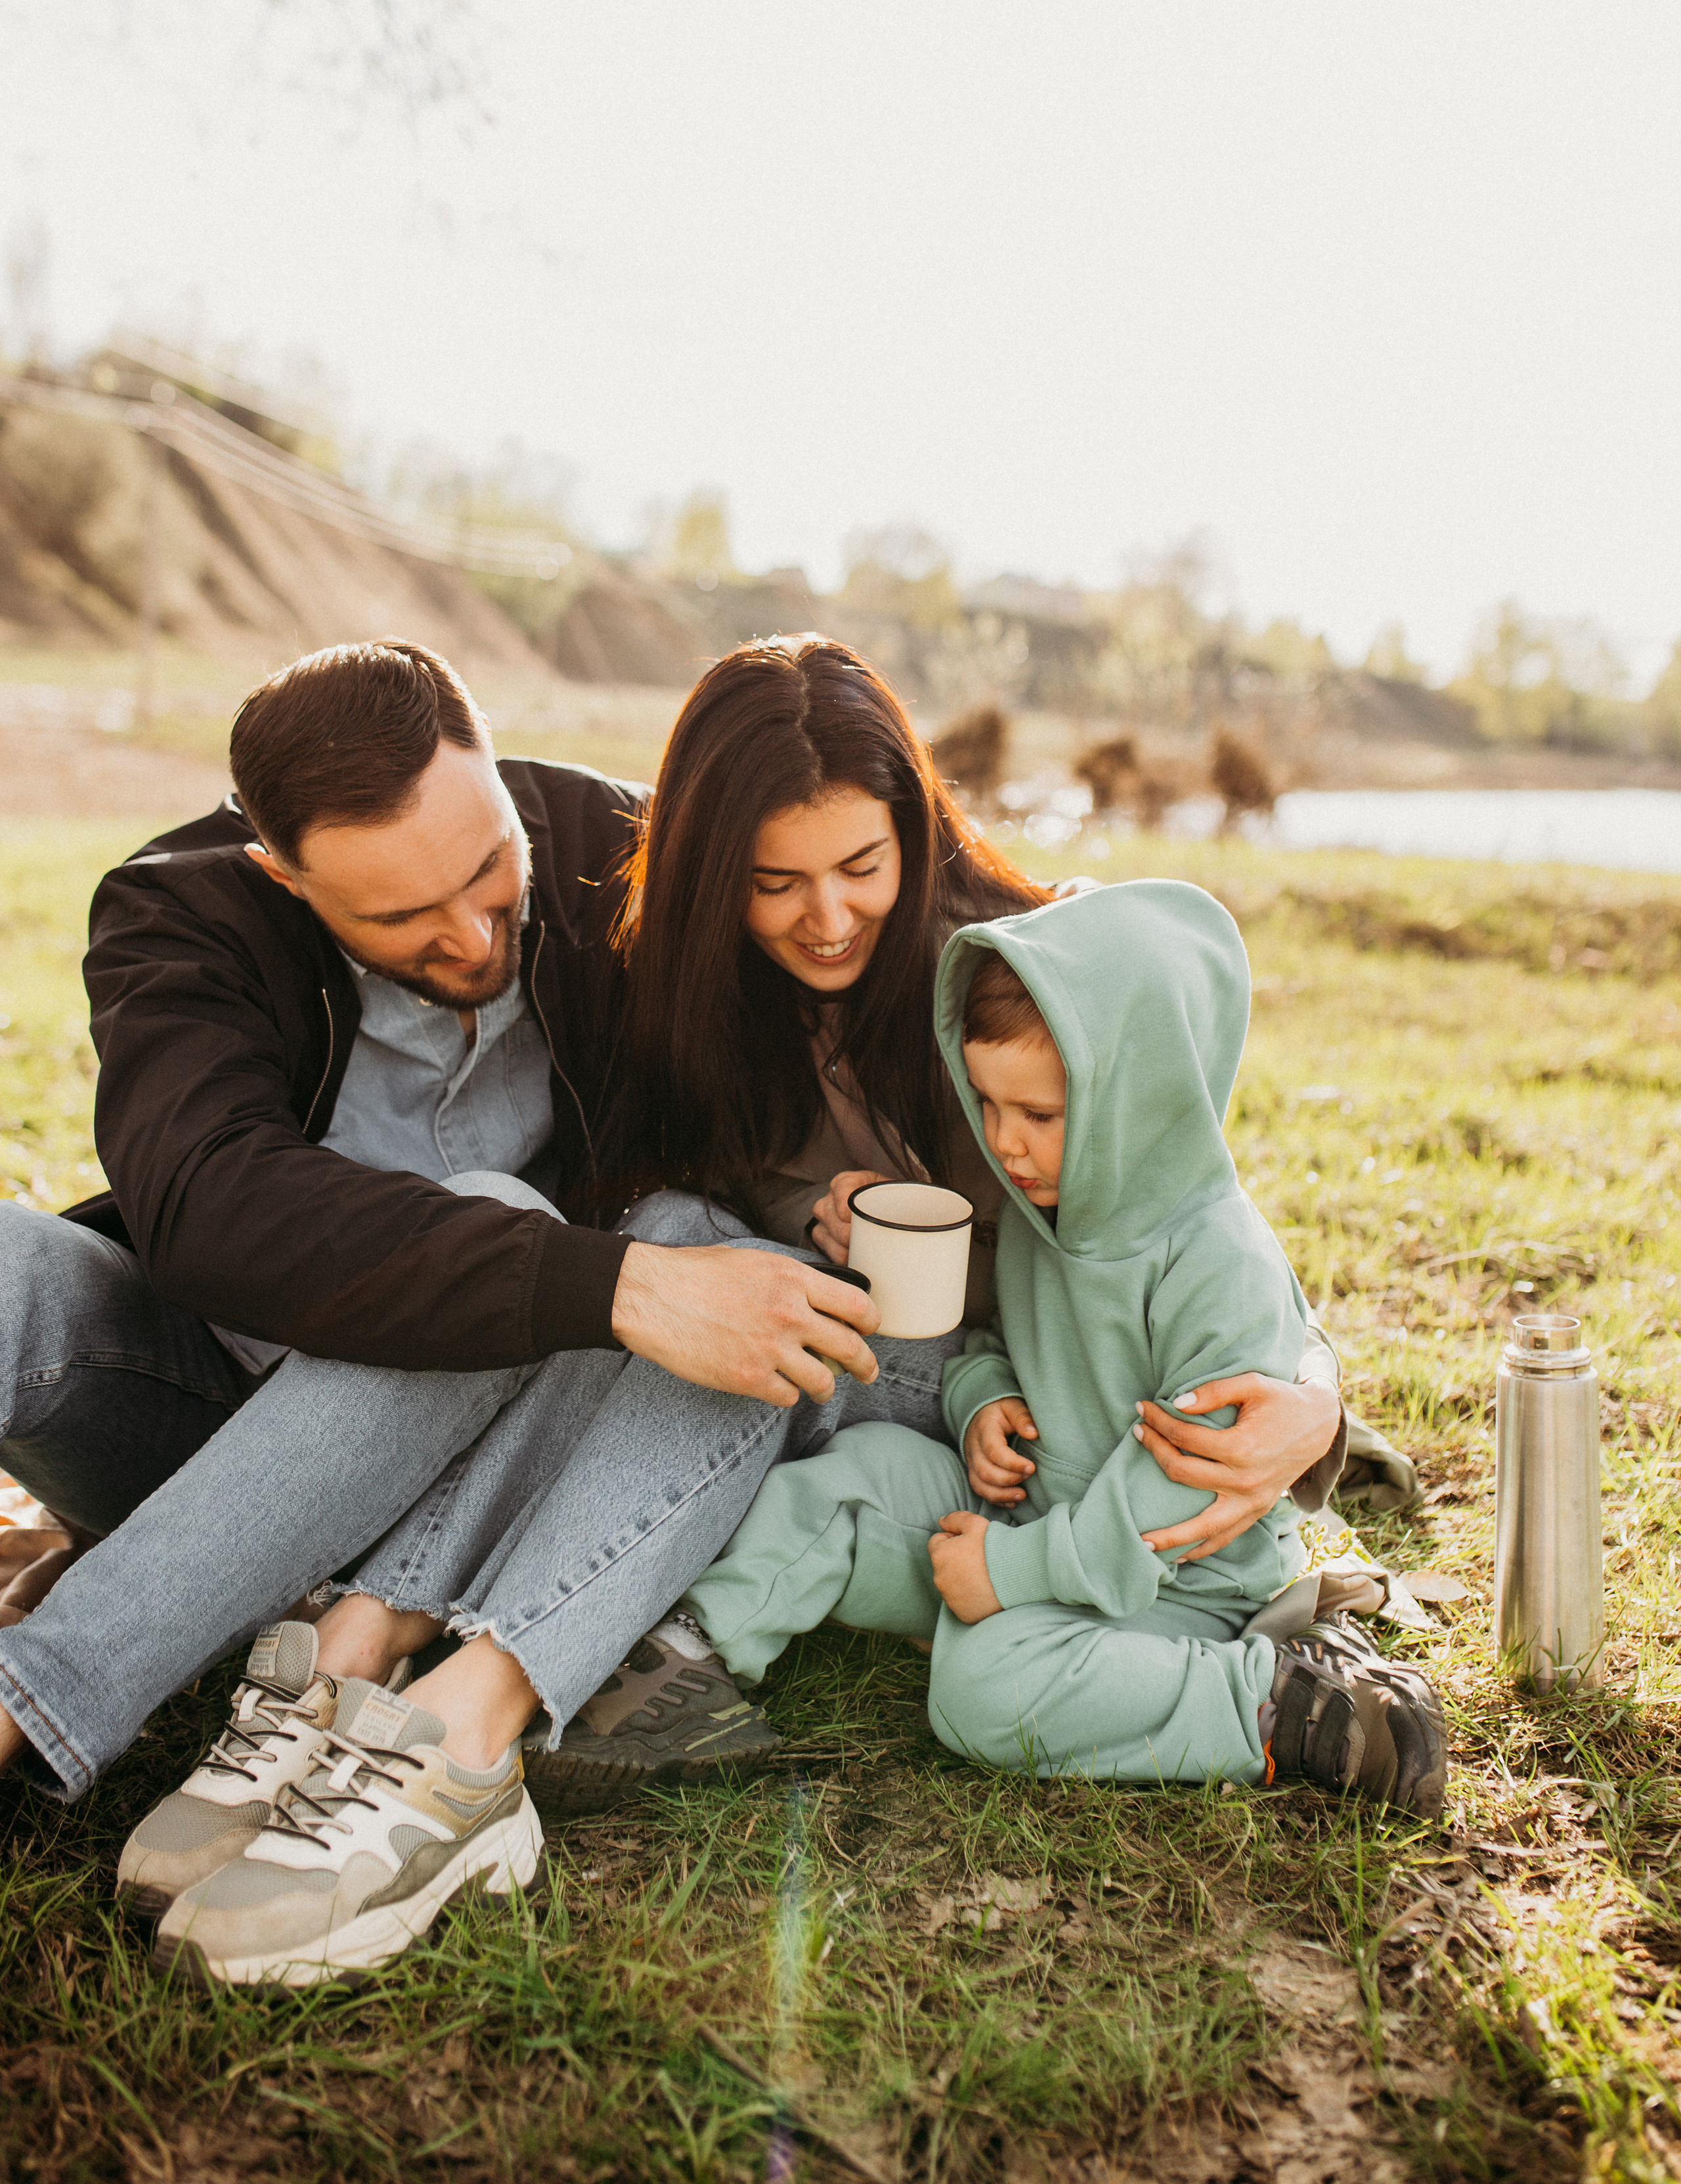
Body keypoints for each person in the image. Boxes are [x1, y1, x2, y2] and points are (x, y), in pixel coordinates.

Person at [1, 636, 1350, 1984]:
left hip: (760, 1400)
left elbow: (1184, 1212)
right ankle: (289, 1662)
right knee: (600, 1234)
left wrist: (1314, 1394)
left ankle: (422, 1700)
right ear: (286, 878)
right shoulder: (235, 918)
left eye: (488, 876)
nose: (473, 934)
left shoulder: (957, 972)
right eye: (772, 884)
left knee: (670, 1252)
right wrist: (705, 1251)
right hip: (325, 1399)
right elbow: (224, 1202)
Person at [682, 885, 1450, 1813]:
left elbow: (1182, 1488)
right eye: (988, 1104)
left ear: (1141, 1094)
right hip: (1034, 1514)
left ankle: (1276, 1702)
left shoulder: (1216, 1258)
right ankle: (686, 1664)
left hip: (1180, 1580)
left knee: (981, 1689)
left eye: (1039, 1114)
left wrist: (1012, 1577)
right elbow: (996, 1339)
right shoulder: (1046, 1209)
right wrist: (980, 1402)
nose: (1004, 1143)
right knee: (850, 1477)